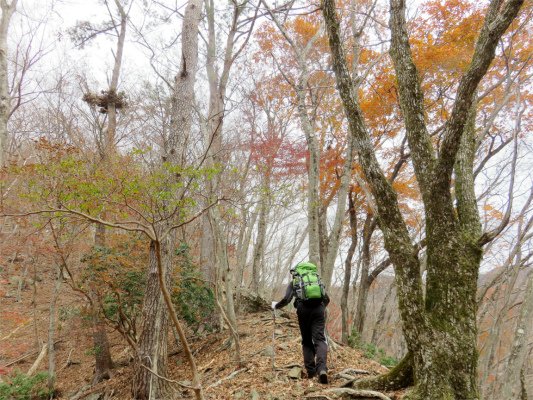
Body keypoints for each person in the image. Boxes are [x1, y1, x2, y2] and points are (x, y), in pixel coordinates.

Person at [271, 263, 330, 384]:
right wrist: (320, 308)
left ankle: (311, 373)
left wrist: (276, 306)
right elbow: (327, 299)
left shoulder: (296, 282)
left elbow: (287, 300)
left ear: (296, 272)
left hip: (303, 310)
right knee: (320, 340)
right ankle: (322, 369)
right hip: (318, 309)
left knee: (307, 341)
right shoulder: (317, 280)